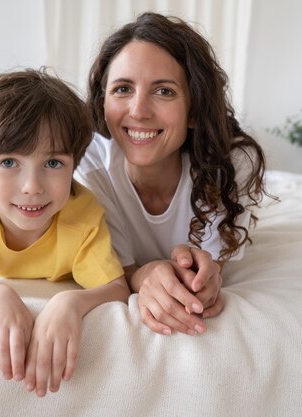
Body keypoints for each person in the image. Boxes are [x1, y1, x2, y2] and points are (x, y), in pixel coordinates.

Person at [0, 69, 129, 397]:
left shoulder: (82, 212)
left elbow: (116, 289)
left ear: (73, 164)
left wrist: (71, 302)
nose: (32, 188)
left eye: (53, 163)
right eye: (9, 163)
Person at [75, 12, 267, 337]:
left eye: (163, 91)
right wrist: (145, 275)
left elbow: (208, 268)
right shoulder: (88, 168)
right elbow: (121, 271)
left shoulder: (234, 165)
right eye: (122, 89)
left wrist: (206, 276)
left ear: (194, 110)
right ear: (102, 103)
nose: (138, 111)